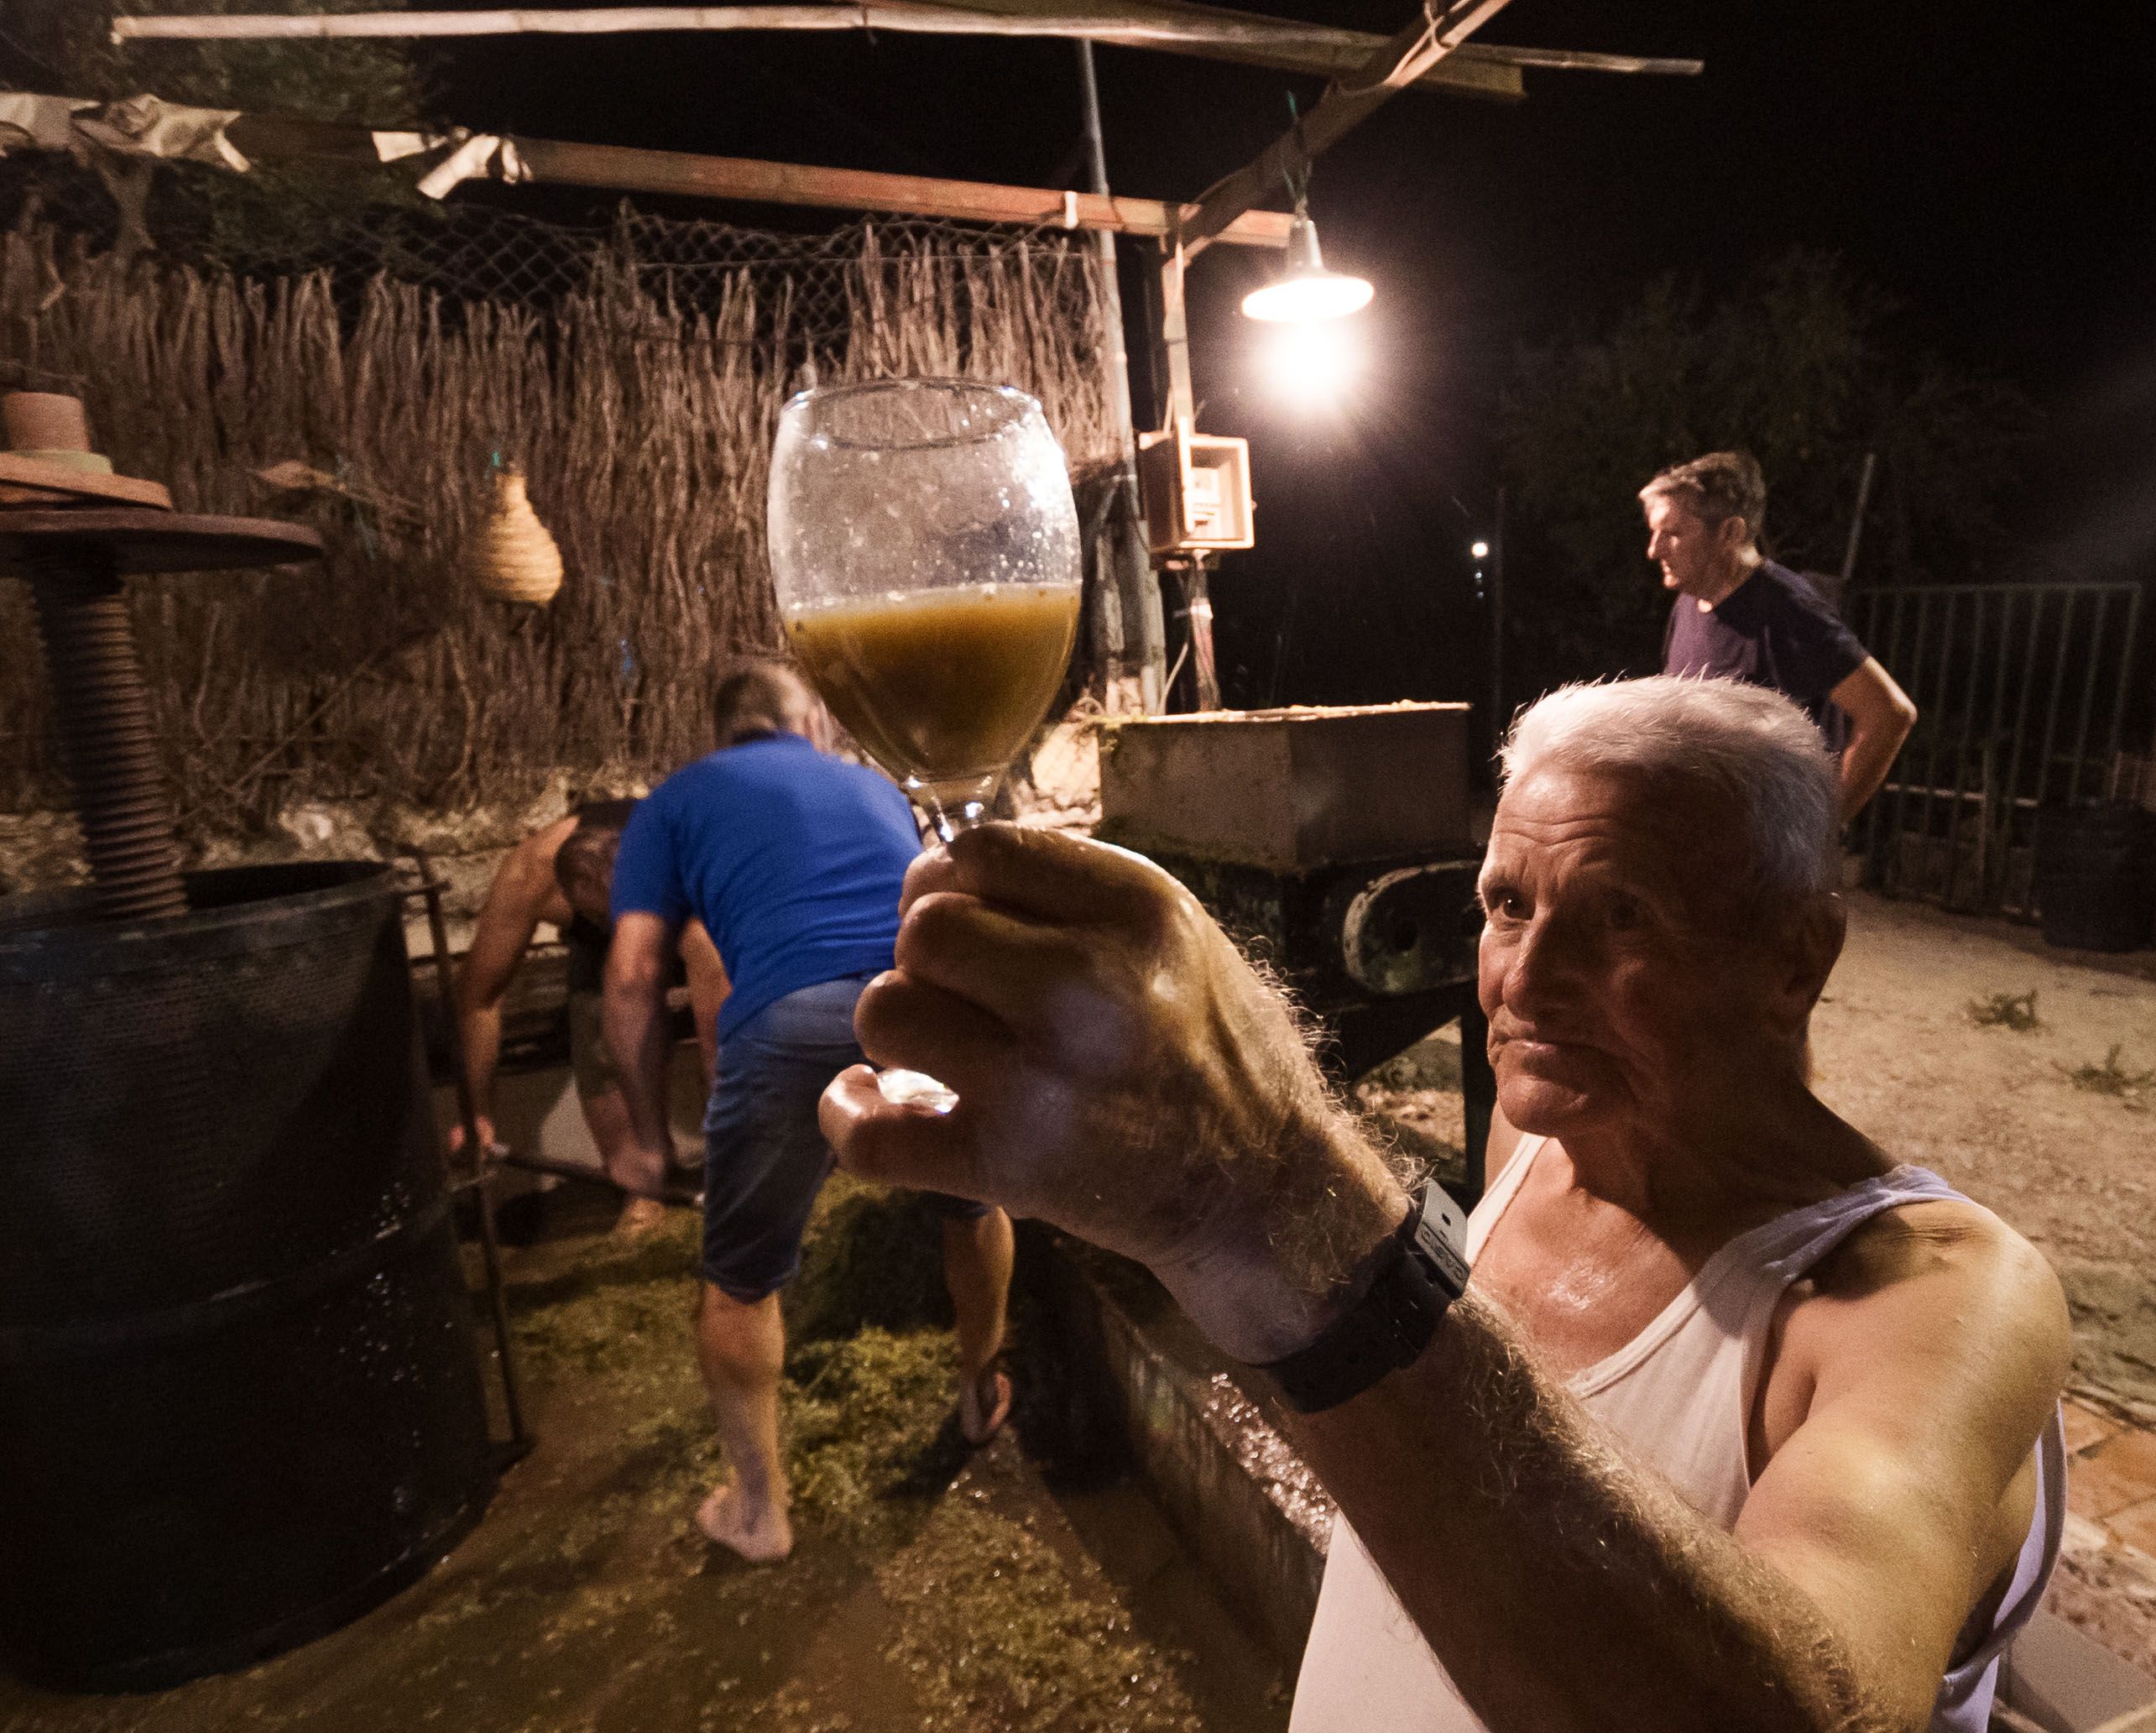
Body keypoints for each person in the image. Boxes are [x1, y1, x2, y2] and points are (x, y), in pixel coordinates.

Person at [821, 675, 2069, 1733]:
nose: (1524, 978)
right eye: (1506, 903)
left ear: (1797, 958)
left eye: (1618, 914)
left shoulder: (1936, 1294)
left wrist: (1270, 1191)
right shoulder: (1544, 1137)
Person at [602, 661, 1016, 1565]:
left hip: (781, 1020)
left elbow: (635, 973)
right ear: (808, 723)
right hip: (911, 1003)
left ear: (728, 733)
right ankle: (979, 1396)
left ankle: (759, 1512)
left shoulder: (673, 800)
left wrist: (643, 1138)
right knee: (973, 1204)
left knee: (741, 1278)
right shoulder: (875, 784)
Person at [449, 799, 722, 1234]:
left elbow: (718, 1031)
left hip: (703, 929)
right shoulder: (531, 874)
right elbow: (479, 999)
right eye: (600, 913)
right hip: (599, 955)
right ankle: (644, 1188)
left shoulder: (693, 869)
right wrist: (475, 1113)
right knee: (598, 1028)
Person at [1646, 449, 1918, 822]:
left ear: (1730, 532)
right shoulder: (1688, 605)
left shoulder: (1788, 611)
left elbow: (1889, 713)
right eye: (1654, 532)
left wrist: (1822, 830)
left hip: (1765, 864)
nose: (1653, 549)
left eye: (1673, 533)